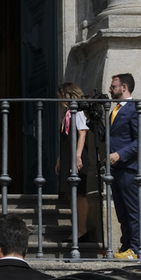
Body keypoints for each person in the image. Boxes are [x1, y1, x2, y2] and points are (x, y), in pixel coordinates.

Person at [108, 73, 141, 259]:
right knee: (121, 211)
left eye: (114, 85)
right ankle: (126, 247)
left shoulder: (135, 108)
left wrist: (120, 154)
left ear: (124, 87)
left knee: (133, 211)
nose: (110, 88)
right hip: (116, 169)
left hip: (129, 168)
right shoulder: (115, 109)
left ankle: (136, 249)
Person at [55, 82, 97, 244]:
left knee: (79, 193)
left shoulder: (78, 111)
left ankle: (82, 230)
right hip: (68, 157)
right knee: (72, 194)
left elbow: (82, 134)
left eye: (60, 97)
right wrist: (61, 158)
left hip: (77, 156)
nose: (58, 100)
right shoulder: (67, 113)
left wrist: (78, 156)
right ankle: (77, 229)